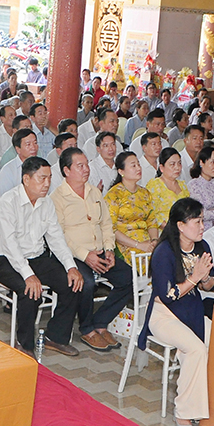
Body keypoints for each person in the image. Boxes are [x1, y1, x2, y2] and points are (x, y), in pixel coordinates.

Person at [136, 197, 214, 426]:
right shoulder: (164, 252)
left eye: (202, 220)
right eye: (197, 221)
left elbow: (210, 285)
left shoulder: (202, 246)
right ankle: (183, 411)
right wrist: (195, 277)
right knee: (196, 349)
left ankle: (207, 402)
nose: (202, 226)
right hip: (164, 314)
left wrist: (205, 278)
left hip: (191, 310)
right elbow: (168, 295)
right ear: (181, 226)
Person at [0, 157, 85, 357]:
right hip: (6, 260)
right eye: (42, 178)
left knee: (72, 283)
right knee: (30, 291)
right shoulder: (8, 202)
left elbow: (56, 238)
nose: (47, 183)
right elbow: (10, 245)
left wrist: (71, 266)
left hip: (37, 257)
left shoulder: (46, 202)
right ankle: (24, 345)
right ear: (26, 179)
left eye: (49, 178)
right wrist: (28, 274)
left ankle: (56, 337)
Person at [53, 148, 132, 352]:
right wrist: (85, 255)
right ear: (66, 170)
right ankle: (87, 329)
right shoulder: (58, 198)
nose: (86, 169)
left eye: (87, 164)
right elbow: (59, 235)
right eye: (80, 166)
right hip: (74, 254)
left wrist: (109, 249)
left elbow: (106, 224)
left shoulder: (94, 192)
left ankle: (101, 322)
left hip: (100, 251)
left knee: (127, 277)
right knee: (86, 282)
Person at [147, 147, 190, 231]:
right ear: (162, 168)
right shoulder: (155, 185)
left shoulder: (183, 185)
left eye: (179, 163)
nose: (177, 167)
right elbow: (151, 214)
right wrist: (171, 229)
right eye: (172, 164)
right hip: (163, 231)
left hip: (182, 230)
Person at [188, 144, 214, 229]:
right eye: (213, 162)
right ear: (201, 163)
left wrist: (212, 211)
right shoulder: (194, 185)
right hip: (203, 229)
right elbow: (201, 213)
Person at [0, 127, 40, 197]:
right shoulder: (8, 171)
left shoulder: (42, 167)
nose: (33, 147)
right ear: (18, 149)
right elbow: (4, 198)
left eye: (35, 143)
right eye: (28, 144)